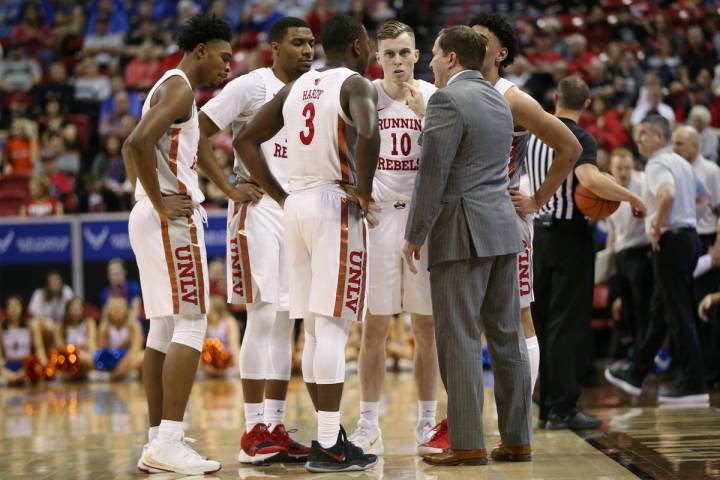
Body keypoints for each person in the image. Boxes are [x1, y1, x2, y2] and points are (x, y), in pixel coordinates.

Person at [235, 14, 380, 474]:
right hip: (332, 202)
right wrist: (365, 189)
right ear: (358, 46)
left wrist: (279, 195)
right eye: (371, 46)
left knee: (315, 329)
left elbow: (243, 140)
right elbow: (370, 130)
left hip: (294, 205)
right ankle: (330, 447)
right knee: (333, 327)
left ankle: (328, 437)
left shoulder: (296, 87)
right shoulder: (356, 83)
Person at [402, 25, 529, 467]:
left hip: (460, 230)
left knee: (456, 337)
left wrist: (415, 232)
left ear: (452, 58)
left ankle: (469, 442)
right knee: (507, 337)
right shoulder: (499, 96)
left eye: (434, 55)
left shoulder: (447, 99)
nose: (429, 63)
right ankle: (517, 438)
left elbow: (432, 174)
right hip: (502, 227)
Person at [123, 13, 236, 475]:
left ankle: (157, 441)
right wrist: (161, 200)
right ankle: (169, 439)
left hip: (149, 215)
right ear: (202, 50)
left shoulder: (171, 88)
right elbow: (135, 143)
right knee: (192, 322)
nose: (228, 66)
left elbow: (189, 150)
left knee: (163, 329)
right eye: (224, 57)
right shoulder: (181, 87)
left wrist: (226, 189)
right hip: (169, 218)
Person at [199, 16, 314, 464]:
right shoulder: (250, 86)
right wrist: (227, 188)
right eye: (298, 43)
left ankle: (276, 425)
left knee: (287, 321)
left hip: (297, 209)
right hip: (258, 208)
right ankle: (251, 432)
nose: (307, 51)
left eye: (311, 44)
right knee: (262, 316)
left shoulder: (313, 90)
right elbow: (199, 133)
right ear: (274, 48)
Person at [524, 76, 646, 430]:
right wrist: (631, 196)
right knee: (568, 323)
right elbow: (590, 181)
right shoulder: (579, 137)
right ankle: (562, 407)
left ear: (556, 98)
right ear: (587, 104)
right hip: (569, 236)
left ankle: (544, 404)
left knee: (542, 323)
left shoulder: (533, 137)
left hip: (538, 237)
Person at [346, 20, 440, 456]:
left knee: (426, 326)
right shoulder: (365, 94)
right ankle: (367, 422)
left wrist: (427, 117)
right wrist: (356, 191)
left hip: (424, 222)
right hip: (380, 220)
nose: (398, 61)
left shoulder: (434, 97)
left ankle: (426, 420)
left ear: (416, 55)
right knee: (375, 328)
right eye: (389, 54)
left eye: (405, 53)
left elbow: (452, 155)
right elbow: (342, 145)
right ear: (377, 58)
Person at [606, 115, 710, 404]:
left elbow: (668, 194)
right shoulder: (682, 163)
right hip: (688, 238)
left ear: (660, 138)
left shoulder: (657, 164)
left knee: (678, 314)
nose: (638, 139)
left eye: (644, 134)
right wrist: (689, 221)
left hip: (672, 240)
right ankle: (637, 374)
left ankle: (695, 384)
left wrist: (657, 226)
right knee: (661, 311)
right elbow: (705, 198)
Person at [605, 149, 653, 363]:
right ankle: (630, 352)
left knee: (641, 307)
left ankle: (645, 357)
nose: (623, 173)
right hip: (620, 254)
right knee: (622, 307)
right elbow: (612, 231)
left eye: (627, 168)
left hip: (641, 252)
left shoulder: (642, 186)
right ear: (611, 169)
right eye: (619, 168)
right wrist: (608, 259)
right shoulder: (608, 191)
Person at [90, 297, 143, 382]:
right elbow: (103, 350)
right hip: (111, 359)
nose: (116, 311)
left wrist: (125, 362)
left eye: (119, 308)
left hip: (129, 358)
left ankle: (115, 375)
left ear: (126, 310)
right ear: (108, 311)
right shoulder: (105, 327)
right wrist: (123, 343)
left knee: (143, 356)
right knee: (93, 358)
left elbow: (136, 349)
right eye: (113, 308)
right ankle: (122, 375)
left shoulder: (134, 326)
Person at [0, 296, 46, 386]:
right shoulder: (1, 327)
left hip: (26, 365)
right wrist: (9, 374)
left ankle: (18, 379)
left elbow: (40, 349)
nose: (13, 309)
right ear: (6, 309)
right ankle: (13, 379)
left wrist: (41, 362)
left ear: (22, 308)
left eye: (16, 306)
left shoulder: (31, 326)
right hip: (8, 365)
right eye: (10, 306)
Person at [55, 297, 98, 379]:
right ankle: (79, 375)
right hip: (68, 358)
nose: (75, 312)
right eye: (73, 309)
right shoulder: (60, 326)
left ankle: (77, 375)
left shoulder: (89, 322)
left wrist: (85, 354)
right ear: (67, 310)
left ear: (82, 310)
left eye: (78, 309)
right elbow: (60, 348)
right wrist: (76, 351)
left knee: (89, 359)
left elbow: (92, 345)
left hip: (85, 356)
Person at [200, 296, 241, 377]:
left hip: (228, 362)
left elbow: (234, 346)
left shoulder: (229, 321)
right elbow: (201, 347)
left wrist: (238, 368)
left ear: (216, 309)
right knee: (200, 375)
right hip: (209, 365)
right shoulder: (205, 323)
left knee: (234, 374)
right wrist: (203, 367)